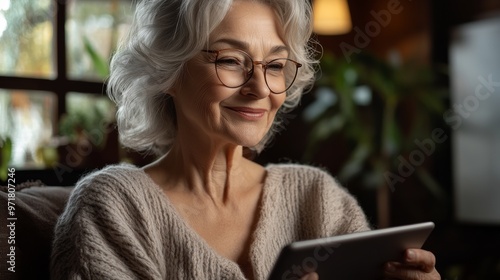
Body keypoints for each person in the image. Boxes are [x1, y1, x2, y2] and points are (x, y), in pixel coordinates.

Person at [50, 0, 440, 279]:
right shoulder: (112, 209)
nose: (260, 88)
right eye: (231, 60)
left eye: (275, 65)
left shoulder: (316, 199)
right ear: (167, 71)